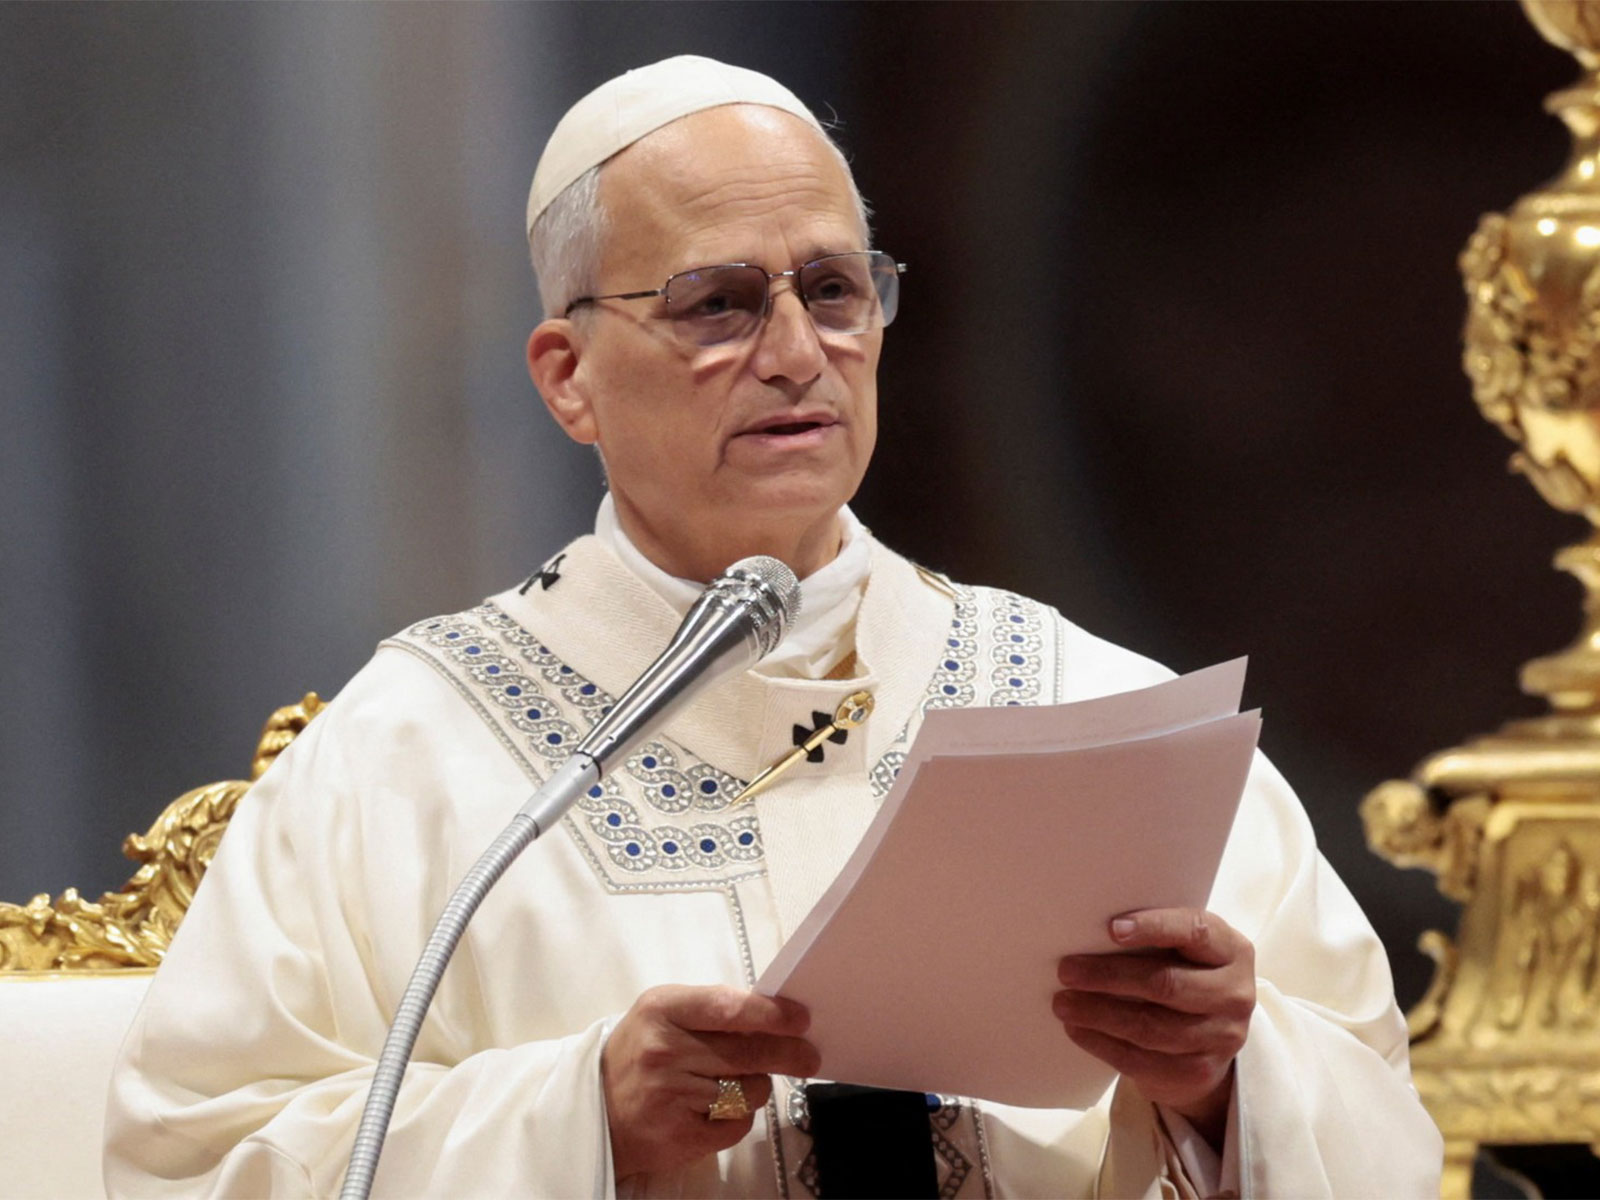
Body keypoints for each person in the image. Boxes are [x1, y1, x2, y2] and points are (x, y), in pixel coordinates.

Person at [104, 56, 1442, 1198]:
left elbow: (1384, 1125)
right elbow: (191, 1164)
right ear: (568, 378)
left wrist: (1223, 1079)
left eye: (835, 290)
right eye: (719, 304)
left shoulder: (1093, 714)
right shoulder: (406, 759)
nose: (799, 352)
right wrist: (582, 1119)